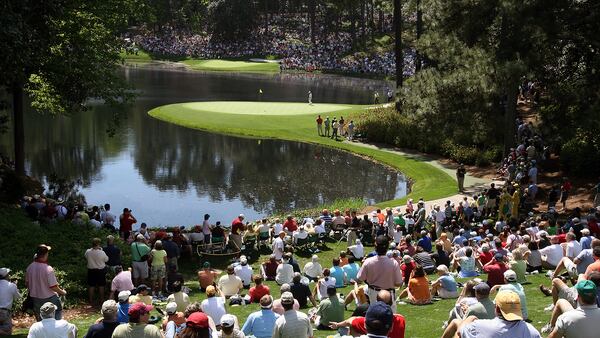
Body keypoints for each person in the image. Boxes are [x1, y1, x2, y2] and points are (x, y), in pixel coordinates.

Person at [458, 290, 541, 338]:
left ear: (497, 308)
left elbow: (460, 332)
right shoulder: (531, 331)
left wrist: (470, 318)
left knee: (456, 323)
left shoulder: (479, 326)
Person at [358, 235, 403, 311]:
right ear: (387, 247)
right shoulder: (393, 263)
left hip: (373, 293)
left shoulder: (368, 261)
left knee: (375, 317)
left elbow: (360, 279)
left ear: (375, 247)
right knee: (390, 318)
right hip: (389, 293)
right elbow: (398, 283)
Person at [26, 244, 66, 320]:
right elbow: (53, 286)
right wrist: (62, 292)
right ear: (46, 254)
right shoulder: (48, 269)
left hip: (35, 298)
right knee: (57, 312)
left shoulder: (29, 267)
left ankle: (41, 331)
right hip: (50, 298)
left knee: (40, 318)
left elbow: (28, 284)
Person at [0, 268, 20, 335]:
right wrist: (15, 286)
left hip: (4, 312)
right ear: (6, 276)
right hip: (5, 312)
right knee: (7, 333)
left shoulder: (11, 285)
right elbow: (18, 297)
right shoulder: (12, 285)